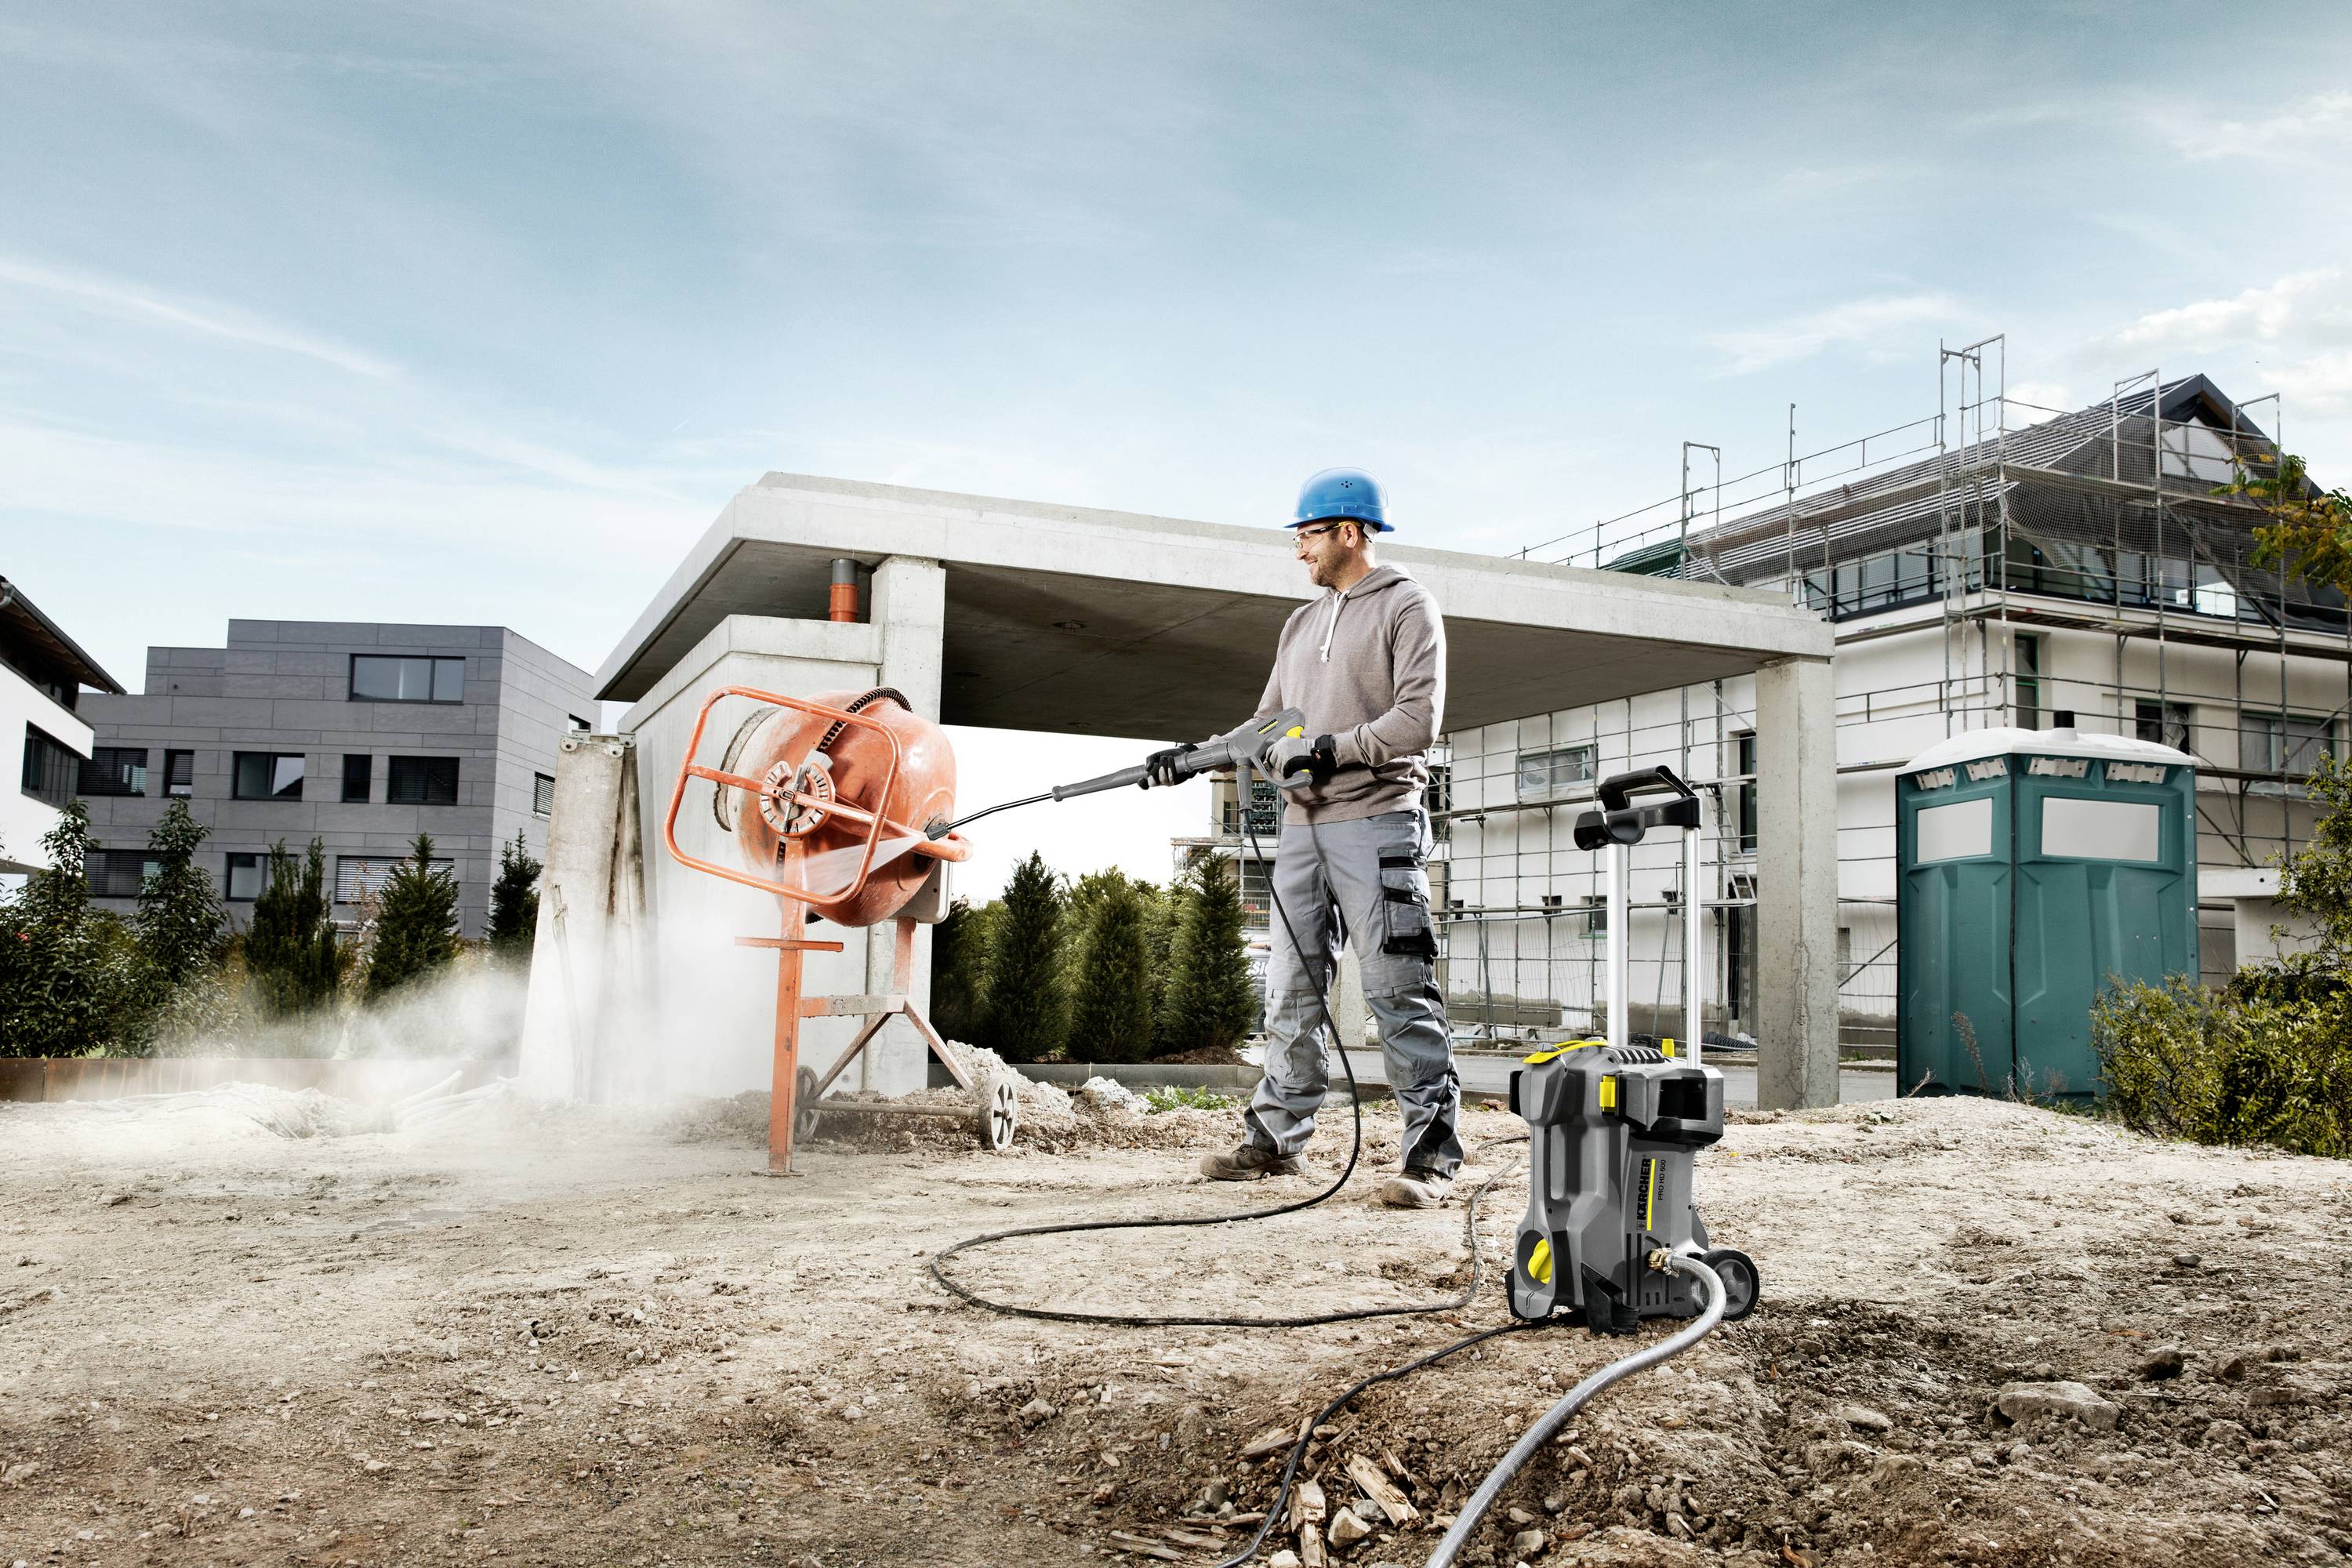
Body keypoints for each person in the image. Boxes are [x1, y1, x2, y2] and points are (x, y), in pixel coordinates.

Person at [1160, 466, 1458, 1207]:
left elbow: (1417, 722)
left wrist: (1329, 749)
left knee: (1397, 987)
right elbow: (1266, 724)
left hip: (1377, 821)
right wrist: (1193, 754)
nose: (1299, 551)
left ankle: (1429, 1154)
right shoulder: (1299, 626)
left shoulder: (1408, 607)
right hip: (1302, 831)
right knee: (1290, 989)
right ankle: (1277, 1140)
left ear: (1349, 532)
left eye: (1307, 535)